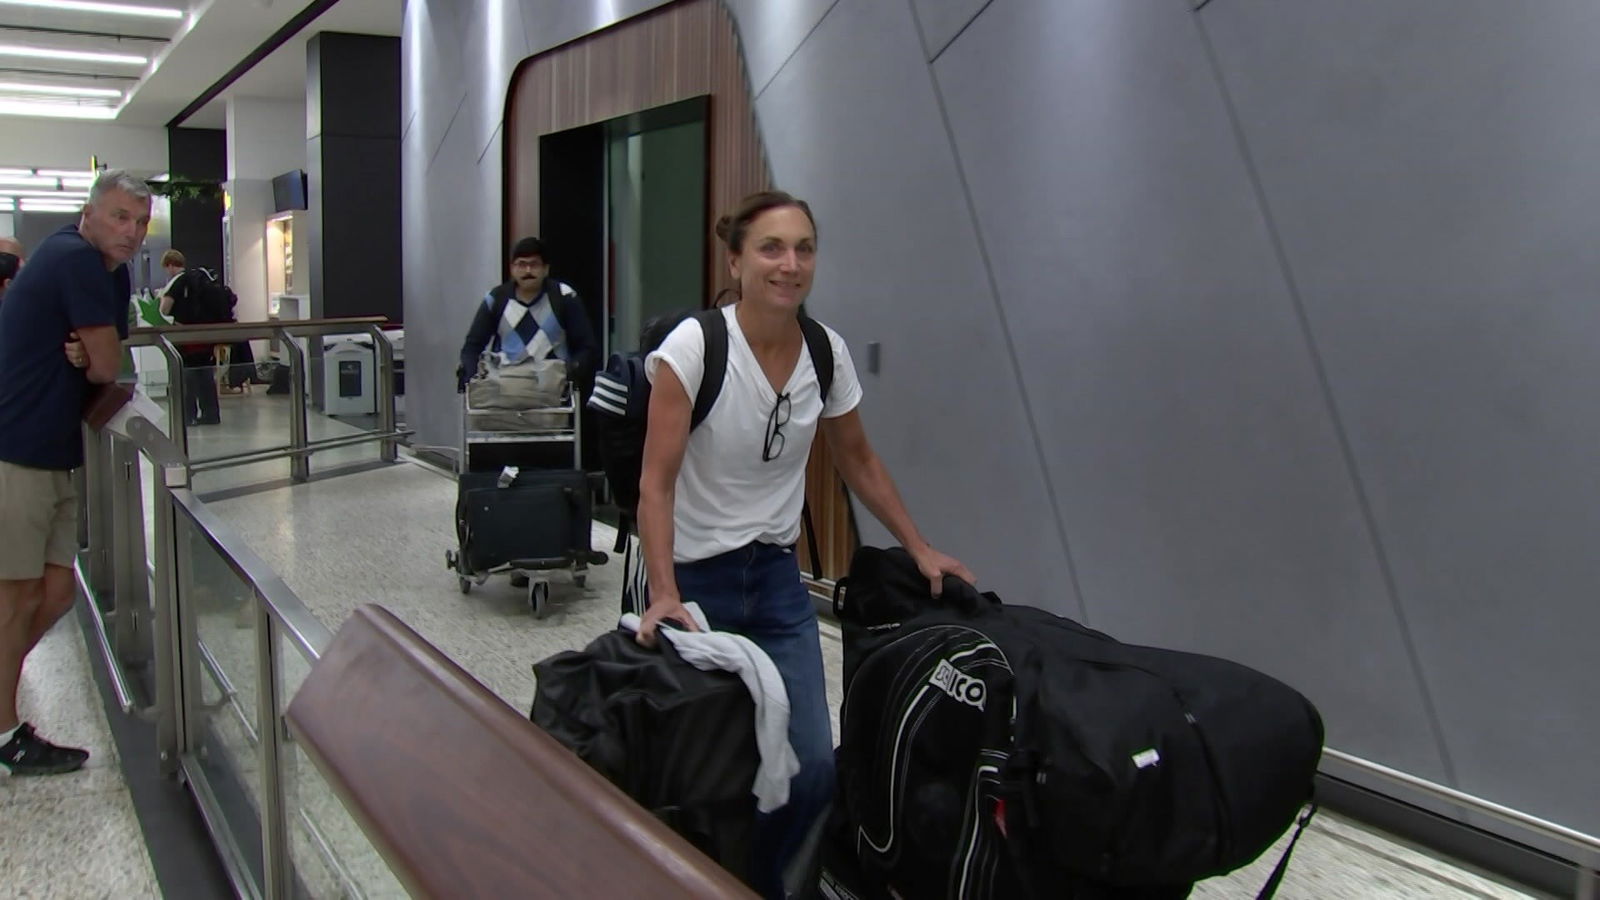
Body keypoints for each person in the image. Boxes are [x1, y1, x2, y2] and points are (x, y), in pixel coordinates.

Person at [635, 190, 974, 898]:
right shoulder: (696, 348)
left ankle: (771, 886)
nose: (790, 265)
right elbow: (656, 484)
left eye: (804, 249)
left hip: (778, 582)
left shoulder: (825, 351)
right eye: (771, 248)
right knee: (705, 768)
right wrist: (663, 590)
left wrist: (918, 546)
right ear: (735, 258)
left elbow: (858, 459)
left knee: (812, 765)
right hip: (695, 583)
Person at [0, 169, 150, 776]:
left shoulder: (104, 270)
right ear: (89, 214)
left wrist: (98, 353)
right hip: (17, 453)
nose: (132, 232)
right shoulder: (76, 259)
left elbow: (116, 348)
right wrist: (97, 356)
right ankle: (7, 732)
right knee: (14, 600)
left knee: (57, 593)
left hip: (53, 452)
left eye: (140, 222)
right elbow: (108, 365)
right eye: (120, 217)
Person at [456, 236, 597, 392]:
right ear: (512, 268)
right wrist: (471, 377)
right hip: (504, 390)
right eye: (521, 264)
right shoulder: (496, 299)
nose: (528, 271)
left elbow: (586, 347)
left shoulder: (564, 297)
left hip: (552, 392)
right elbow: (473, 346)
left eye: (534, 264)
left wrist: (571, 372)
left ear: (546, 269)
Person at [157, 249, 221, 426]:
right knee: (205, 376)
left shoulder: (176, 282)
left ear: (169, 266)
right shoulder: (198, 279)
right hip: (204, 336)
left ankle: (188, 415)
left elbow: (164, 309)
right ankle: (211, 414)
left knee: (187, 377)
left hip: (185, 337)